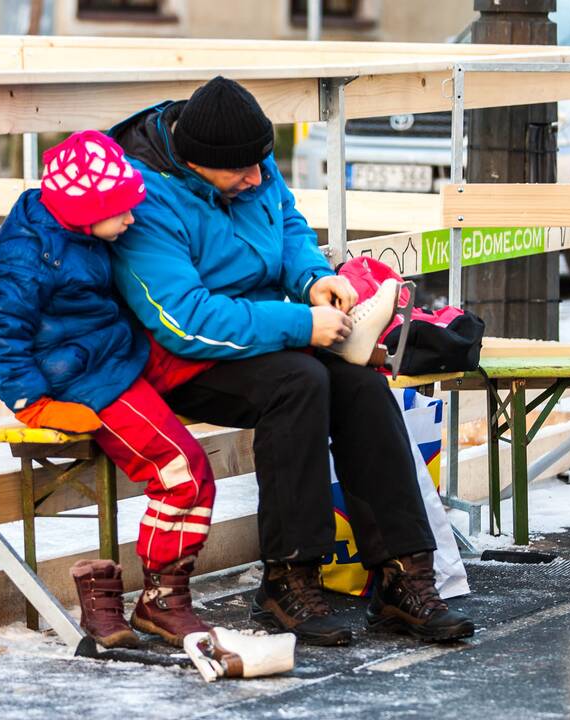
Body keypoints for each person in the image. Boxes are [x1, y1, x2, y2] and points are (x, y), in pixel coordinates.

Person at [108, 76, 476, 644]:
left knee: (359, 385)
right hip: (180, 360)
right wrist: (302, 324)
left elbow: (288, 227)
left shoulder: (246, 160)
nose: (257, 178)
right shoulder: (145, 198)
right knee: (299, 382)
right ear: (198, 163)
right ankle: (288, 578)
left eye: (262, 164)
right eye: (243, 172)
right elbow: (183, 321)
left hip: (262, 335)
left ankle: (404, 574)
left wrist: (313, 279)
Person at [0, 131, 218, 648]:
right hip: (86, 379)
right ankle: (161, 598)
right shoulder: (29, 253)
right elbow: (1, 337)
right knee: (183, 472)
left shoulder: (80, 228)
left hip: (116, 350)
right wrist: (35, 404)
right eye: (122, 211)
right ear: (86, 209)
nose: (132, 219)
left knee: (231, 357)